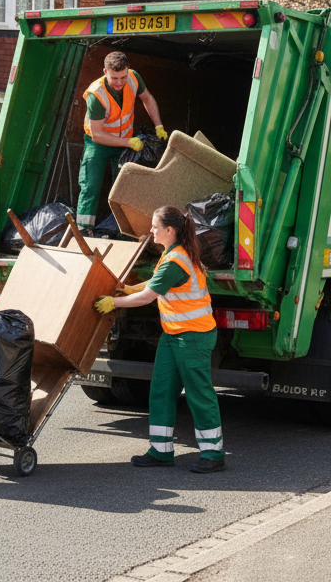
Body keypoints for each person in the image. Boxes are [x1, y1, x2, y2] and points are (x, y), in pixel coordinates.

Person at [95, 205, 225, 473]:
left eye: (155, 227)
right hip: (174, 334)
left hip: (194, 336)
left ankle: (213, 454)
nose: (150, 230)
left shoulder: (177, 260)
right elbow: (156, 282)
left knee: (199, 393)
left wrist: (114, 302)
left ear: (170, 230)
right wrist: (130, 287)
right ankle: (161, 450)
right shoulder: (172, 253)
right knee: (161, 389)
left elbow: (147, 297)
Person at [78, 50, 166, 230]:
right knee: (90, 186)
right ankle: (83, 230)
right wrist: (128, 143)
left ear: (128, 70)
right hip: (98, 144)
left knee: (124, 189)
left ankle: (122, 230)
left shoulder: (134, 78)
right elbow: (97, 134)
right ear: (105, 72)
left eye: (123, 77)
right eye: (114, 78)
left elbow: (147, 98)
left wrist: (158, 126)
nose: (119, 83)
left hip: (124, 140)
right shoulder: (96, 95)